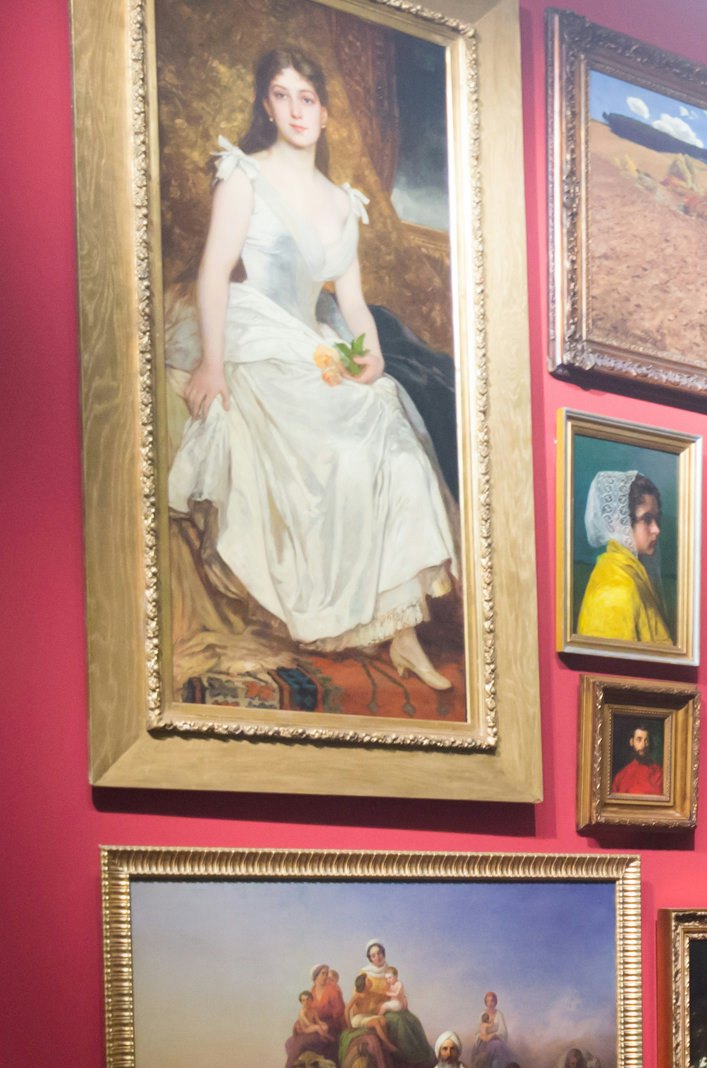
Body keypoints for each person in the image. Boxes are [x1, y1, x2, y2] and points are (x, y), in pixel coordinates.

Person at [172, 47, 459, 692]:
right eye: (282, 95)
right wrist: (213, 364)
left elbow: (351, 302)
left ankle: (403, 634)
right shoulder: (244, 175)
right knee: (329, 442)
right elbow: (214, 274)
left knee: (387, 412)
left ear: (325, 114)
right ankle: (319, 604)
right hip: (254, 332)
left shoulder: (342, 202)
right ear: (266, 106)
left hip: (311, 336)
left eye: (307, 98)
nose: (296, 110)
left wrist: (374, 356)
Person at [576, 470, 672, 648]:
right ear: (618, 522)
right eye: (647, 519)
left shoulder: (629, 572)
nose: (656, 529)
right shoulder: (616, 590)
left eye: (656, 519)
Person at [612, 716, 665, 798]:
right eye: (639, 739)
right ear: (632, 742)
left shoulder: (659, 773)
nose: (643, 745)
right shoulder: (620, 776)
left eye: (646, 740)